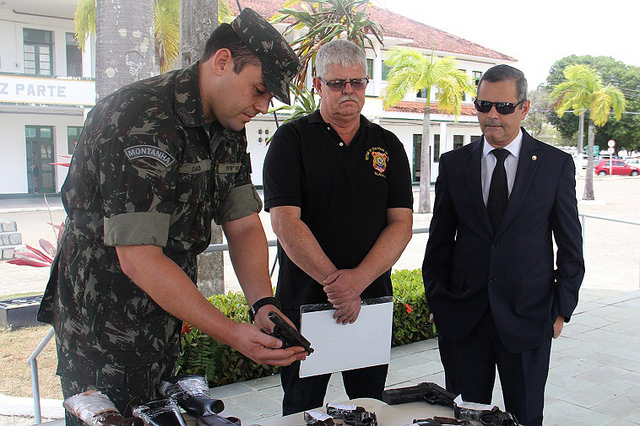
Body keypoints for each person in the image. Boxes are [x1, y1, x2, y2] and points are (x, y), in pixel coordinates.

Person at [37, 8, 308, 423]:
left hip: (163, 317)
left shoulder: (227, 127)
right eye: (258, 88)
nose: (262, 104)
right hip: (102, 327)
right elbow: (138, 257)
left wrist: (263, 303)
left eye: (268, 96)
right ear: (221, 62)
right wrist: (234, 334)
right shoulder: (139, 118)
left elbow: (243, 223)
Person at [422, 64, 585, 426]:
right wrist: (439, 301)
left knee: (525, 417)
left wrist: (560, 310)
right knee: (465, 419)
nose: (492, 115)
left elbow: (571, 247)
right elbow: (439, 245)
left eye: (503, 107)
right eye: (483, 105)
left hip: (529, 320)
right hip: (464, 322)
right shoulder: (454, 165)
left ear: (524, 108)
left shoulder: (555, 165)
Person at [263, 39, 414, 415]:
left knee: (368, 407)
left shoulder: (388, 145)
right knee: (302, 409)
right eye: (337, 83)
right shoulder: (290, 141)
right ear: (317, 85)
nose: (349, 91)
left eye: (357, 82)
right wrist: (338, 284)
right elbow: (284, 222)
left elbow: (401, 223)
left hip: (369, 302)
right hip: (304, 307)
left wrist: (357, 282)